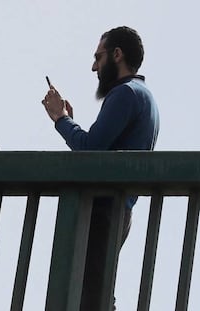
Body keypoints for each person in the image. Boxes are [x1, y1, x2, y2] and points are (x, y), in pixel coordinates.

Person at [42, 26, 160, 310]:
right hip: (121, 210)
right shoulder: (144, 95)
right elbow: (99, 146)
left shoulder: (125, 93)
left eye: (99, 57)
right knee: (96, 290)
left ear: (117, 54)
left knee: (91, 295)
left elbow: (89, 148)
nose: (94, 66)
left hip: (106, 210)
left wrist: (60, 118)